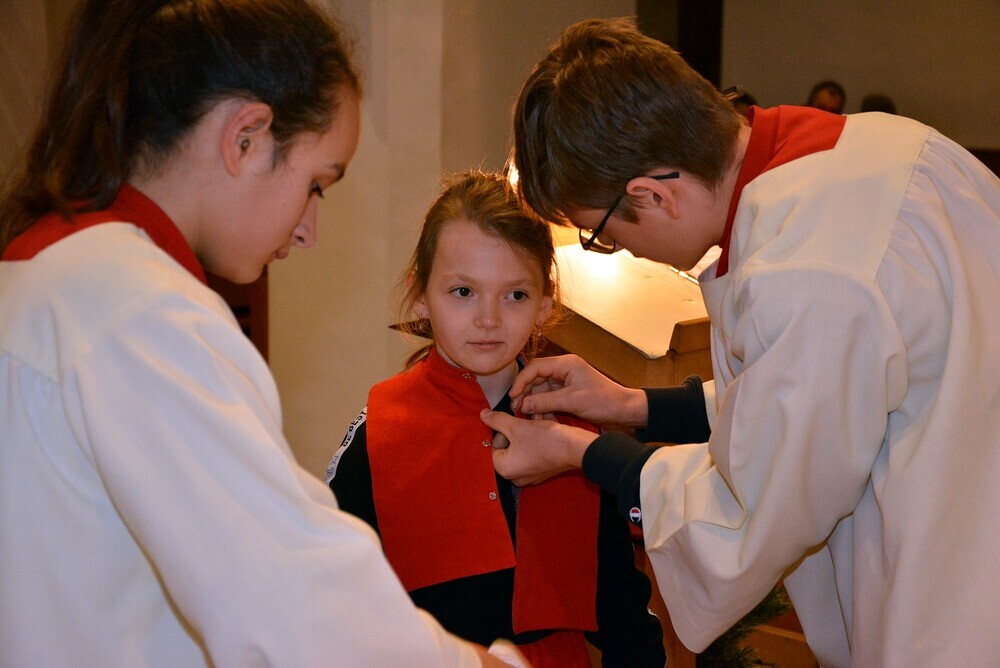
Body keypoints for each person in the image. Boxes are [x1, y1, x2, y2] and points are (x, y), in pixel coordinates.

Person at [0, 1, 521, 666]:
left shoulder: (50, 270)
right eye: (317, 185)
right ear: (245, 137)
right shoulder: (143, 311)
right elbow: (300, 613)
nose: (308, 230)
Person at [484, 16, 1000, 667]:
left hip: (958, 606)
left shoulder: (808, 275)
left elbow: (746, 512)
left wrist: (578, 452)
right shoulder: (881, 147)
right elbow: (825, 396)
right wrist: (634, 405)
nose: (623, 252)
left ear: (652, 195)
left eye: (604, 235)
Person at [326, 171, 667, 668]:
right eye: (463, 291)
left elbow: (623, 608)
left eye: (515, 295)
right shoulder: (378, 432)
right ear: (420, 294)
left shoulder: (578, 428)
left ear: (545, 303)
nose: (488, 319)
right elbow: (334, 604)